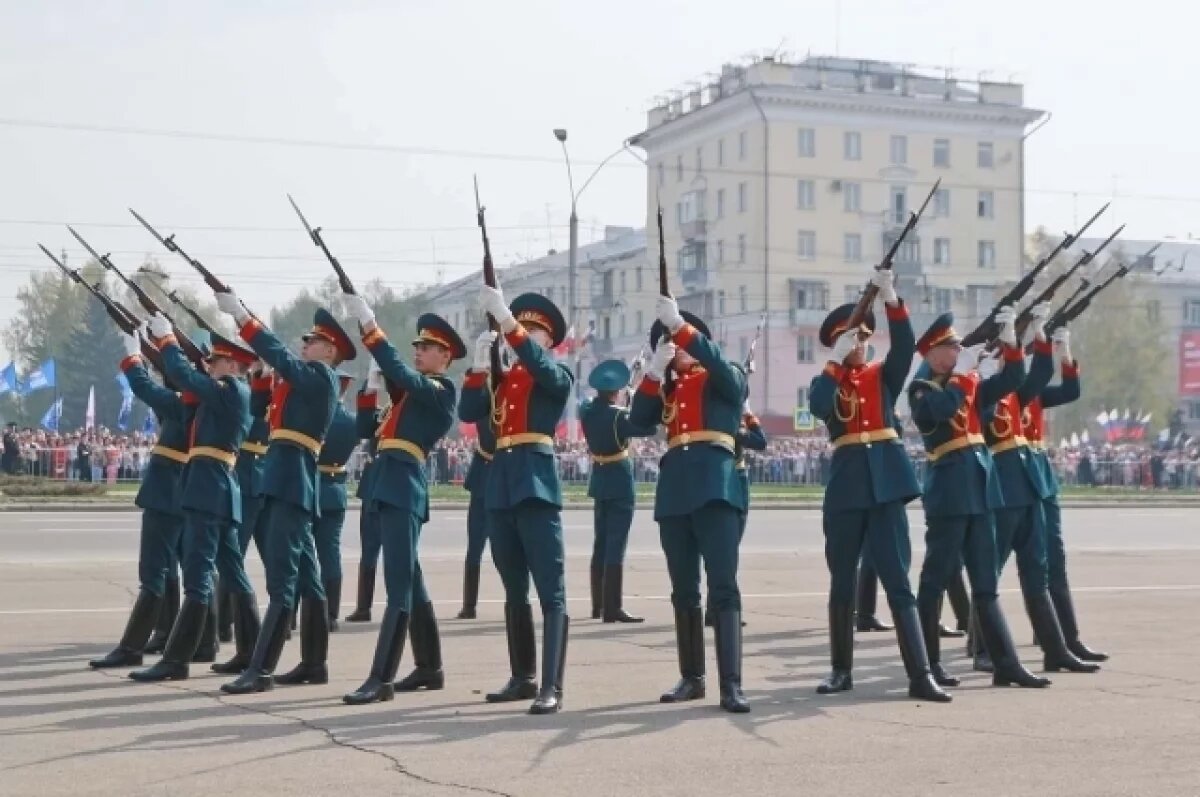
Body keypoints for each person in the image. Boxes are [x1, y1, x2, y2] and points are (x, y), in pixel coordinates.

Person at [808, 271, 949, 702]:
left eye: (865, 338)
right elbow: (817, 407)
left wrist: (892, 300)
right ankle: (840, 670)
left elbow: (905, 347)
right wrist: (835, 361)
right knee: (841, 583)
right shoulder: (827, 381)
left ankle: (920, 673)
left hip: (886, 486)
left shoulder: (881, 377)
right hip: (848, 488)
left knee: (897, 581)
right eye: (854, 339)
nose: (862, 344)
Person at [214, 300, 354, 694]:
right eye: (306, 341)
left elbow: (285, 360)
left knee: (282, 580)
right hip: (284, 479)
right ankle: (314, 663)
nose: (305, 345)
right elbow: (259, 408)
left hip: (292, 480)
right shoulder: (301, 384)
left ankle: (261, 669)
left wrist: (245, 320)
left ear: (330, 351)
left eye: (313, 341)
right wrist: (260, 372)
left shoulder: (322, 377)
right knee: (309, 580)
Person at [908, 307, 1049, 689]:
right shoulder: (923, 389)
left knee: (986, 584)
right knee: (935, 580)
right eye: (952, 347)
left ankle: (1006, 664)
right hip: (950, 494)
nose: (958, 351)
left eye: (958, 346)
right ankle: (928, 665)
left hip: (982, 491)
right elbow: (942, 409)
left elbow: (1014, 381)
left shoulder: (964, 382)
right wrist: (965, 375)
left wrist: (1010, 340)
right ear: (934, 354)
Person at [339, 302, 464, 705]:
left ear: (445, 357)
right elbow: (366, 431)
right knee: (411, 579)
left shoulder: (441, 392)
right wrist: (371, 391)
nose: (418, 351)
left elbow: (404, 374)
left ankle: (381, 678)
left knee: (398, 586)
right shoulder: (407, 400)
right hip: (385, 483)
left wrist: (372, 330)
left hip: (403, 485)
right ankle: (430, 667)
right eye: (418, 346)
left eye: (427, 348)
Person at [630, 298, 750, 713]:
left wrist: (681, 327)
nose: (675, 347)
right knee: (684, 589)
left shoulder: (721, 375)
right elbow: (637, 422)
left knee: (723, 586)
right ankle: (692, 677)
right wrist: (652, 373)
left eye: (680, 342)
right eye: (668, 342)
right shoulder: (668, 387)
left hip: (716, 485)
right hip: (676, 490)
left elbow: (728, 378)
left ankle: (731, 683)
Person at [459, 285, 573, 715]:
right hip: (500, 485)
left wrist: (508, 322)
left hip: (535, 483)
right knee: (513, 588)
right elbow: (469, 412)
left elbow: (540, 367)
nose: (519, 334)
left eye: (530, 330)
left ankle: (552, 685)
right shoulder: (502, 382)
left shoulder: (555, 374)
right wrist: (476, 365)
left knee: (550, 590)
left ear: (546, 340)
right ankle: (522, 677)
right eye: (518, 326)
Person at [129, 320, 261, 682]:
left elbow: (185, 377)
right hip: (216, 489)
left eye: (216, 360)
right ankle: (251, 653)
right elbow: (183, 394)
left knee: (199, 576)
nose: (210, 365)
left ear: (234, 366)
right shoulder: (222, 395)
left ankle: (176, 660)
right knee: (233, 572)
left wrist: (168, 339)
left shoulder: (231, 391)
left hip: (208, 490)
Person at [976, 306, 1099, 676]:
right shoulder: (980, 392)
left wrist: (1050, 342)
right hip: (1000, 484)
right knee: (989, 572)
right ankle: (983, 646)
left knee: (1044, 565)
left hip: (1031, 481)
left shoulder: (1021, 394)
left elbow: (1054, 380)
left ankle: (1059, 644)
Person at [88, 335, 193, 669]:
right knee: (173, 570)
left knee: (153, 572)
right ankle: (167, 632)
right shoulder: (203, 400)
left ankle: (131, 647)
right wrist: (159, 348)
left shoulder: (185, 402)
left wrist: (135, 357)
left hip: (166, 491)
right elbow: (170, 382)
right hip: (182, 490)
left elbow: (146, 389)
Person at [1022, 326, 1108, 663]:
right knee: (991, 568)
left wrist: (1065, 354)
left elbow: (1071, 390)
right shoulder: (996, 391)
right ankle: (983, 643)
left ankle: (1067, 638)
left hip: (1040, 476)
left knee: (1055, 560)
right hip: (1009, 478)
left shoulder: (1034, 394)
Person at [580, 359, 657, 623]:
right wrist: (635, 400)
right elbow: (648, 428)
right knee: (616, 545)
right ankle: (613, 608)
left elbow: (595, 408)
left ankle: (597, 605)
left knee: (600, 543)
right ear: (616, 391)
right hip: (619, 480)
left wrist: (625, 400)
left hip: (599, 479)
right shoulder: (619, 415)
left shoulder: (588, 412)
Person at [216, 363, 273, 647]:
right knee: (273, 557)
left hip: (249, 478)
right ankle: (280, 624)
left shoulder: (251, 396)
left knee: (231, 556)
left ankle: (223, 624)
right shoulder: (263, 394)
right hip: (263, 478)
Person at [312, 372, 358, 633]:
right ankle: (331, 614)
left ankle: (295, 611)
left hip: (313, 485)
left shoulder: (316, 416)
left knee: (301, 553)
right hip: (336, 488)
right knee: (330, 555)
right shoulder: (350, 421)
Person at [344, 370, 384, 624]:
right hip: (372, 485)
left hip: (392, 485)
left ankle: (406, 604)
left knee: (401, 555)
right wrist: (369, 389)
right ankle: (363, 606)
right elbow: (364, 428)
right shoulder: (385, 412)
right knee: (368, 550)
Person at [455, 395, 496, 620]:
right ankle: (469, 604)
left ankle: (516, 600)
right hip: (488, 475)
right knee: (475, 548)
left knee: (506, 551)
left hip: (499, 475)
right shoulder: (485, 404)